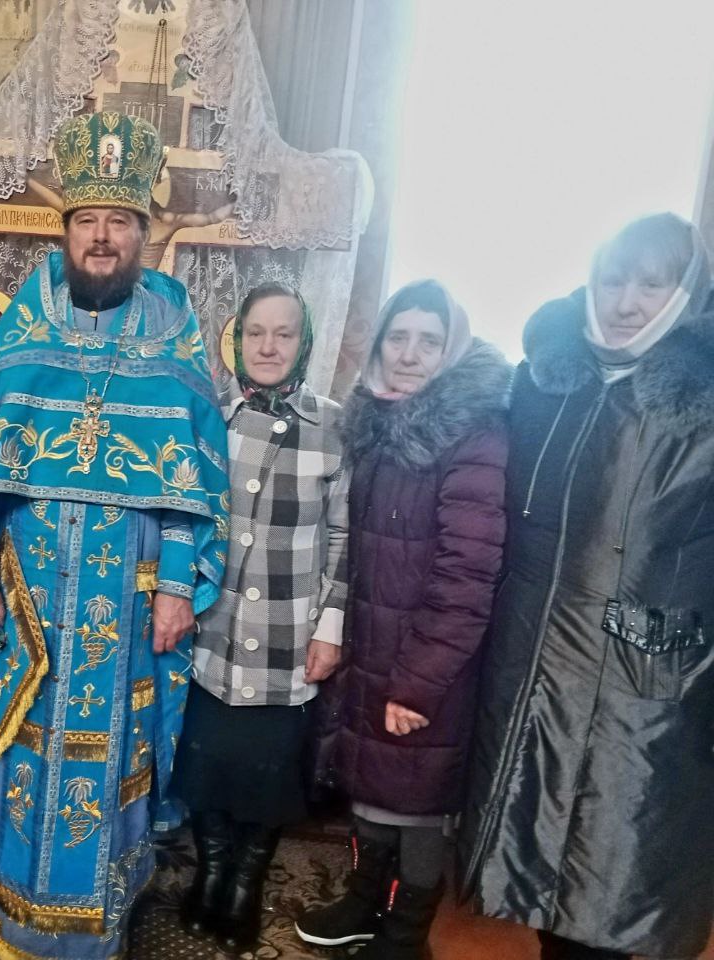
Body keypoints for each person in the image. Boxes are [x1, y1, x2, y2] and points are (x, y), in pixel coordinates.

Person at [0, 111, 230, 960]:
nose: (102, 237)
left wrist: (179, 586)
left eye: (120, 221)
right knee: (23, 747)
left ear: (142, 233)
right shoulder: (20, 336)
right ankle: (14, 911)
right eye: (87, 221)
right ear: (65, 231)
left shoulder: (175, 341)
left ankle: (93, 925)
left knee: (114, 756)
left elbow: (196, 486)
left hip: (128, 604)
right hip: (24, 594)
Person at [459, 213, 714, 960]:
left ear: (686, 291)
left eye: (651, 284)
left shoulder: (703, 400)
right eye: (613, 280)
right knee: (535, 877)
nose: (627, 302)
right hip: (532, 669)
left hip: (649, 688)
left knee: (613, 885)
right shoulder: (544, 383)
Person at [298, 280, 510, 960]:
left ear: (453, 350)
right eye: (398, 337)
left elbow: (467, 577)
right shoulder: (376, 425)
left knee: (418, 805)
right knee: (373, 787)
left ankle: (405, 933)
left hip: (428, 664)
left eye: (429, 341)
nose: (410, 354)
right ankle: (365, 901)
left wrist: (419, 682)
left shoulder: (473, 437)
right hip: (374, 646)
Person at [171, 282, 348, 952]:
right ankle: (212, 871)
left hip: (287, 634)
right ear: (237, 340)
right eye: (256, 333)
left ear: (304, 344)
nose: (269, 346)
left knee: (267, 771)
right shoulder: (208, 417)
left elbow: (343, 536)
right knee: (206, 763)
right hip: (212, 632)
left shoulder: (332, 427)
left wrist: (329, 629)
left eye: (284, 333)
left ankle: (244, 882)